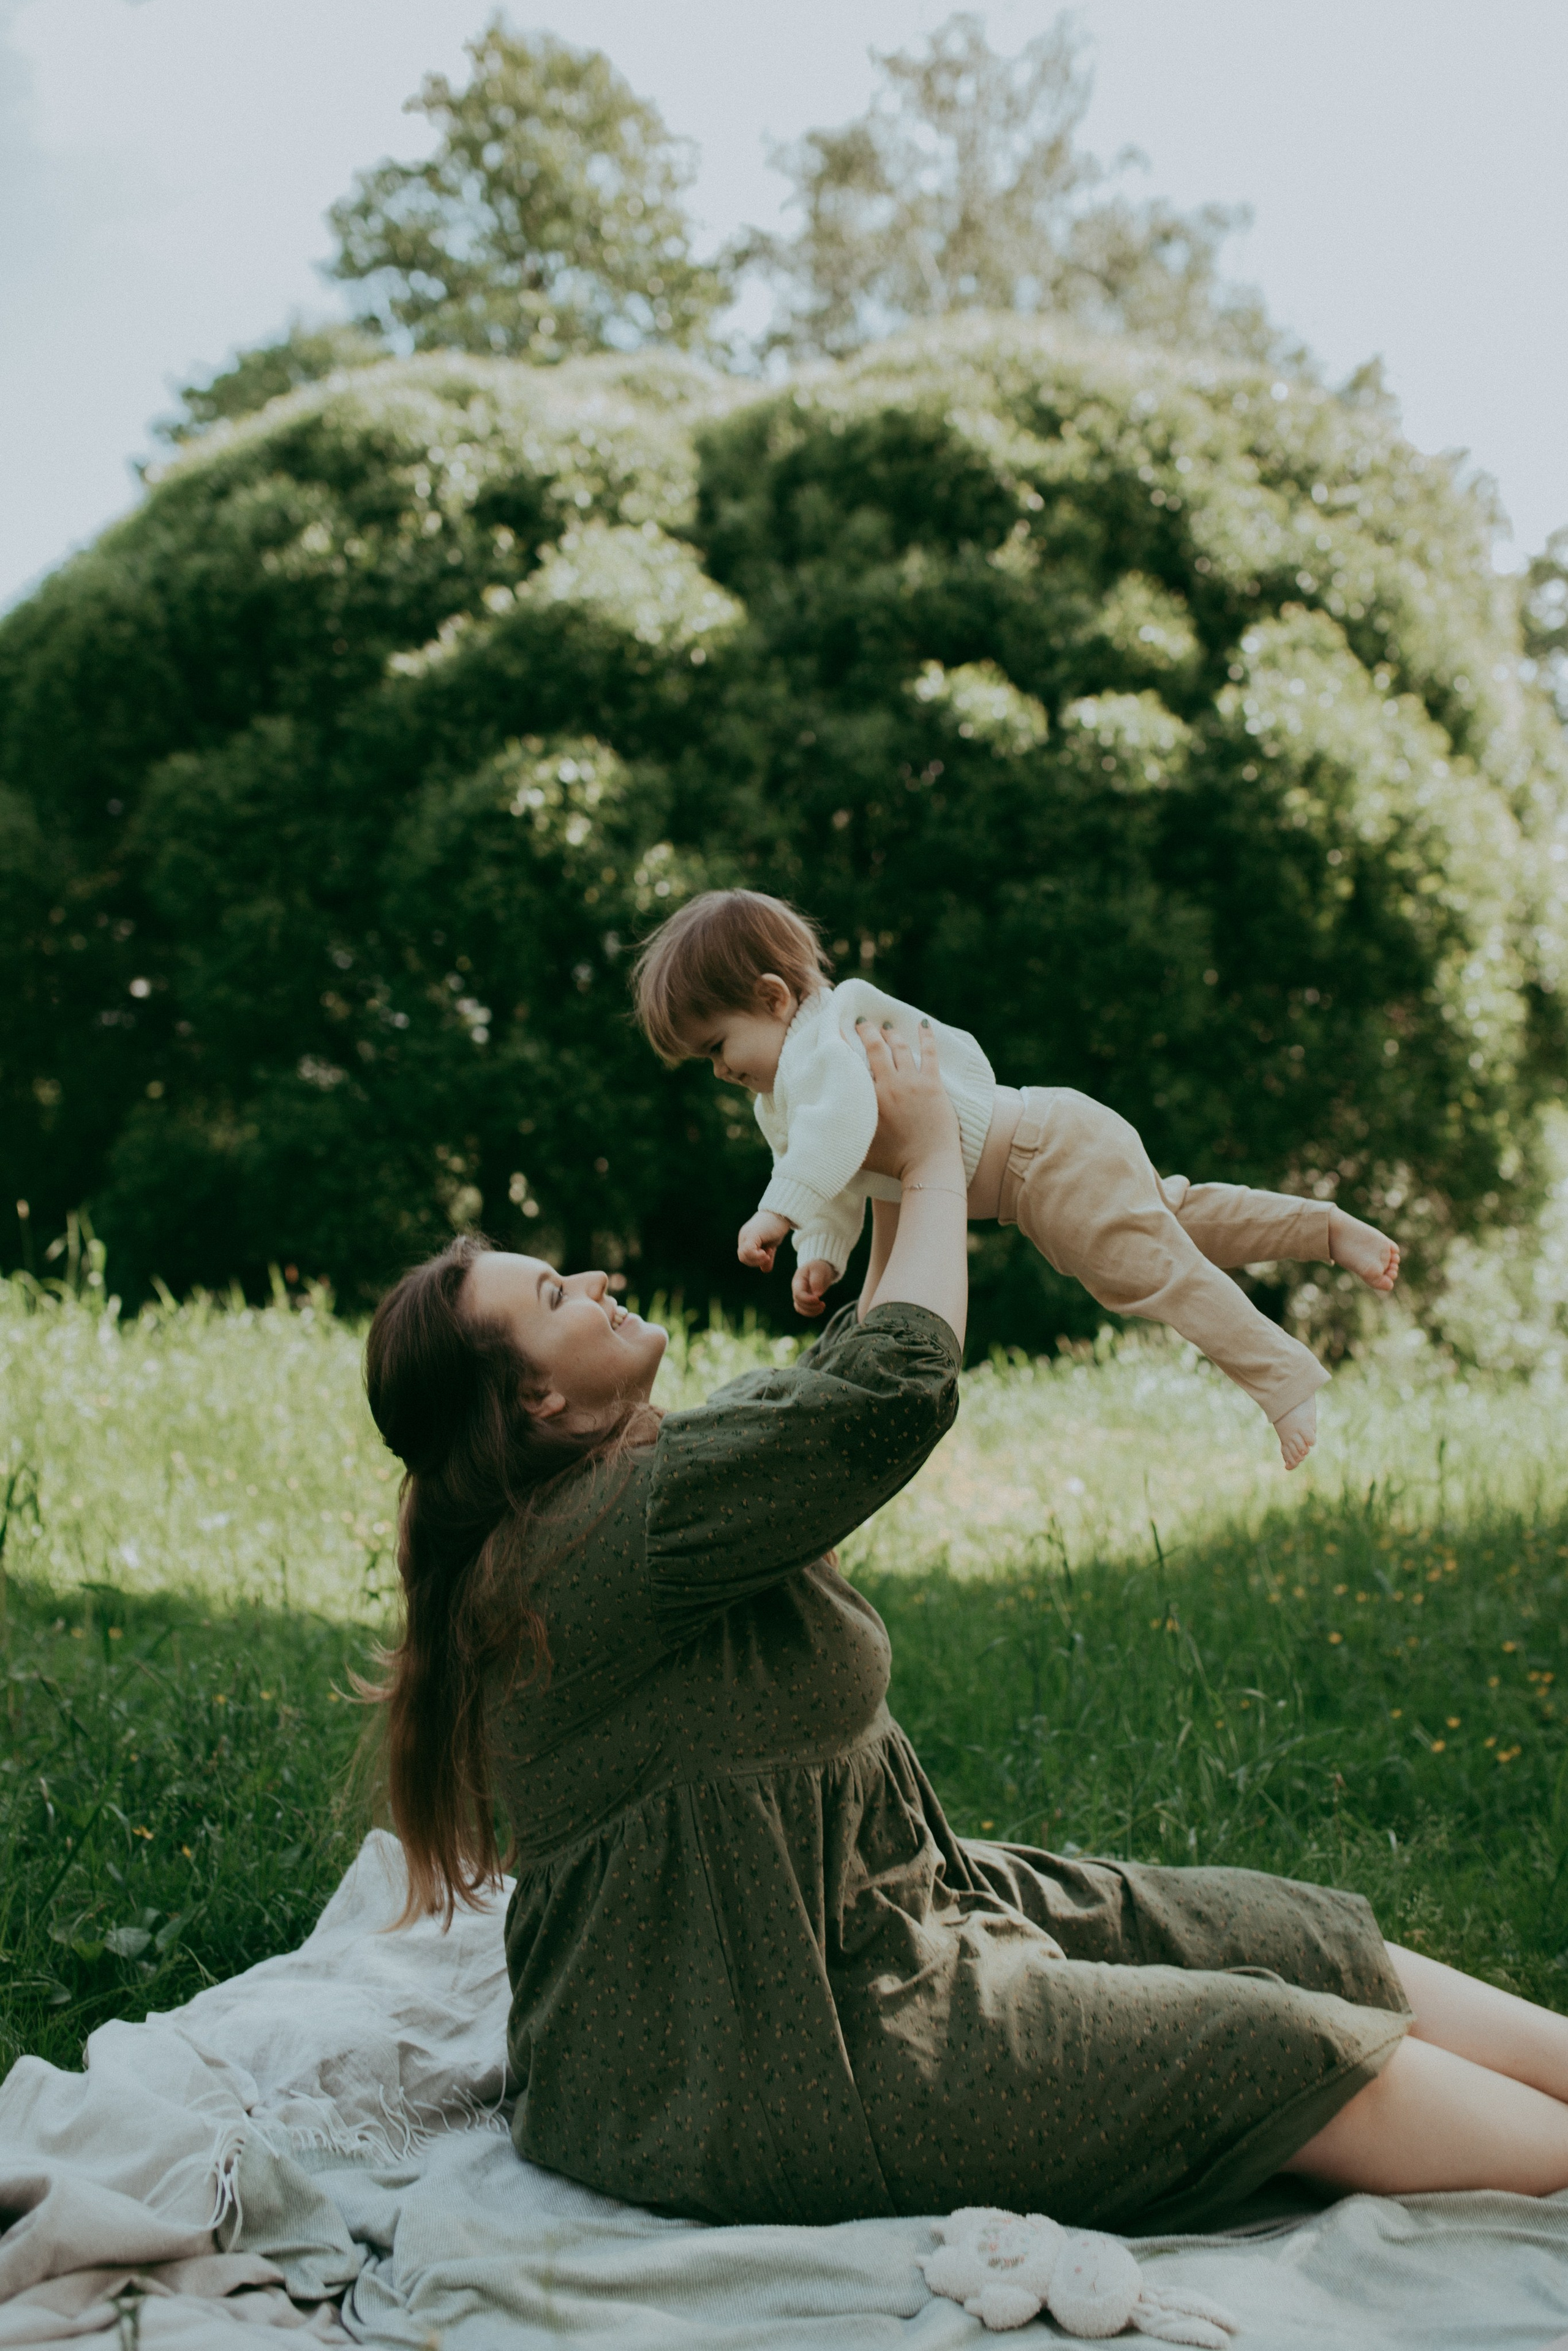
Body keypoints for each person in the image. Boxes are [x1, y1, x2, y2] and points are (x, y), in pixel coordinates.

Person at [363, 1025, 1568, 2233]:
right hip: (755, 2064)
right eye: (555, 1296)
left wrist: (889, 1186)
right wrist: (936, 1165)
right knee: (1268, 2043)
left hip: (871, 1917)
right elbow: (887, 1395)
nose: (596, 1282)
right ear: (535, 1399)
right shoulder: (608, 1529)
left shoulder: (617, 1494)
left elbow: (829, 1405)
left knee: (1270, 1930)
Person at [631, 889, 1402, 1473]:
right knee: (1175, 1221)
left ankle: (1283, 1382)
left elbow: (833, 1137)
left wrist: (774, 1218)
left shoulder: (822, 1043)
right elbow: (836, 1179)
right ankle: (1321, 1229)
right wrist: (820, 1255)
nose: (721, 1070)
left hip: (1046, 1157)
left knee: (1149, 1271)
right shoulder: (785, 1085)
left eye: (718, 1046)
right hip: (1053, 1142)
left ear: (772, 998)